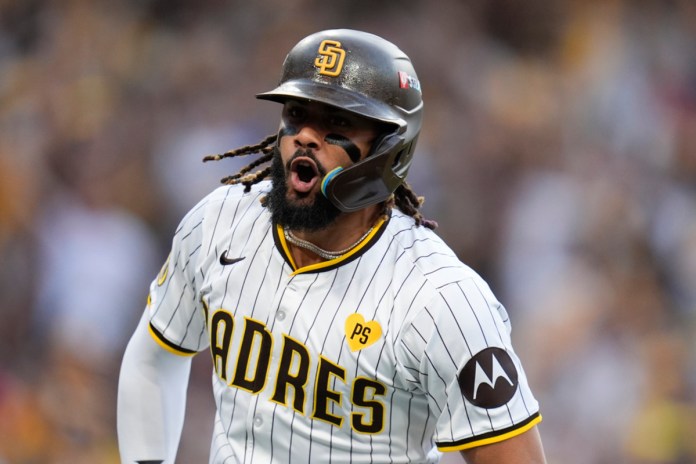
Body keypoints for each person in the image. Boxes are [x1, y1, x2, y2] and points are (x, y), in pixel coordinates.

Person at [117, 28, 547, 464]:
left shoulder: (441, 300)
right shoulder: (220, 222)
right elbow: (155, 356)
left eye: (337, 123)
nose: (305, 136)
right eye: (296, 113)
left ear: (388, 150)